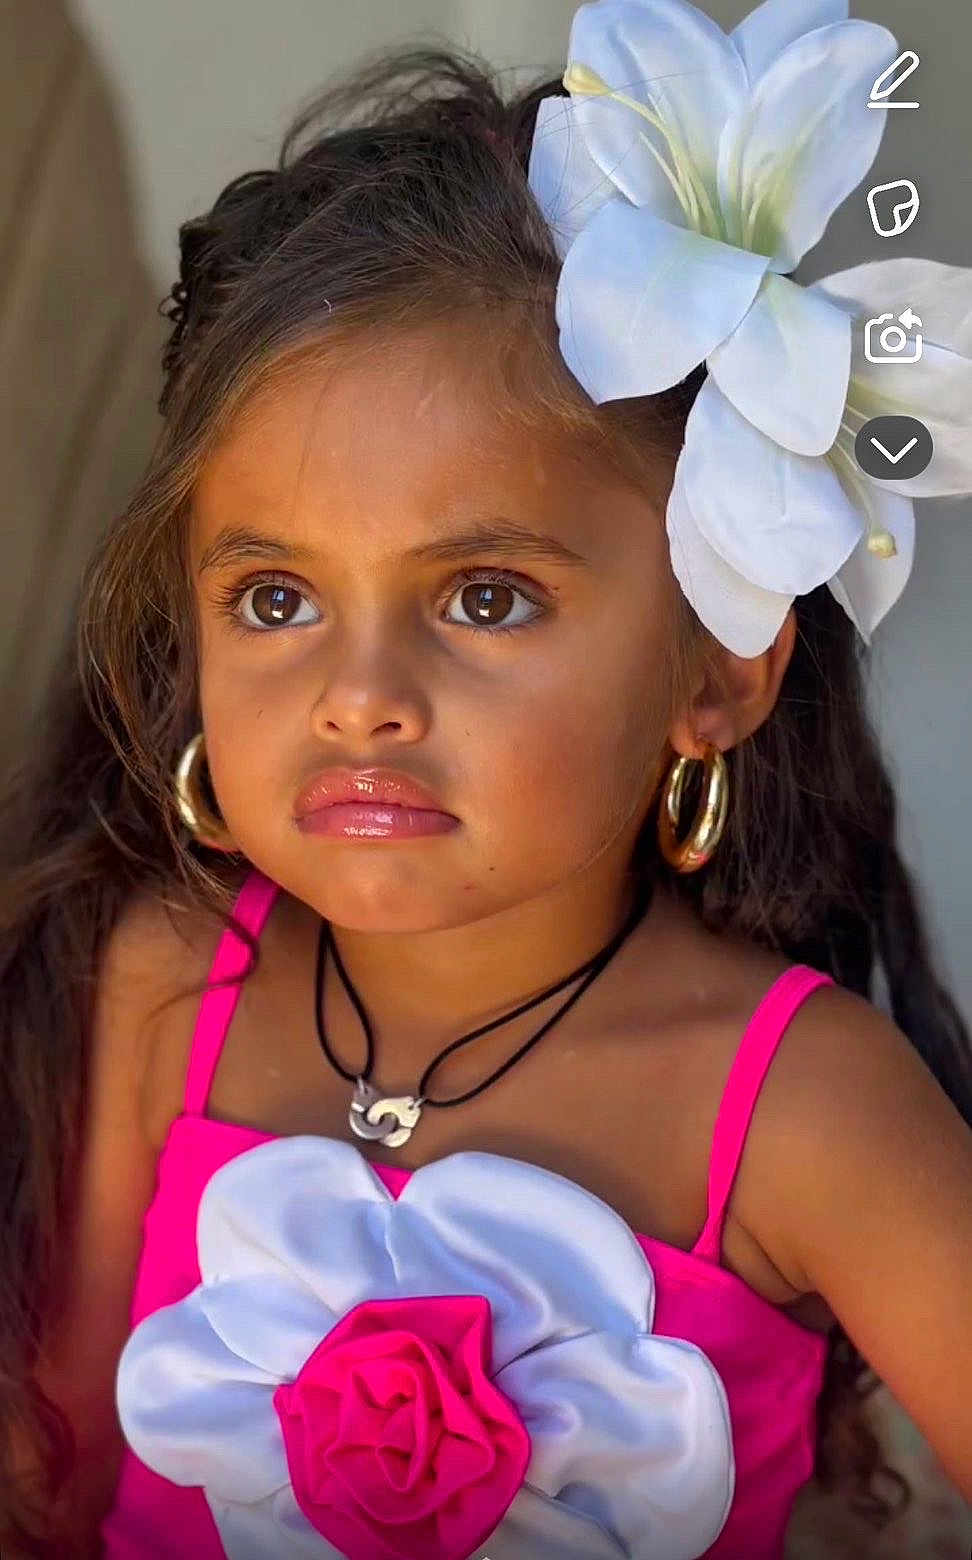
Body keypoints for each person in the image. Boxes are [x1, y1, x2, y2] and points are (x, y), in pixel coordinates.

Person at [1, 0, 970, 1556]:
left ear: (718, 668)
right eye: (274, 599)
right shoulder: (163, 984)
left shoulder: (807, 1110)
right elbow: (47, 1487)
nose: (359, 700)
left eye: (485, 598)